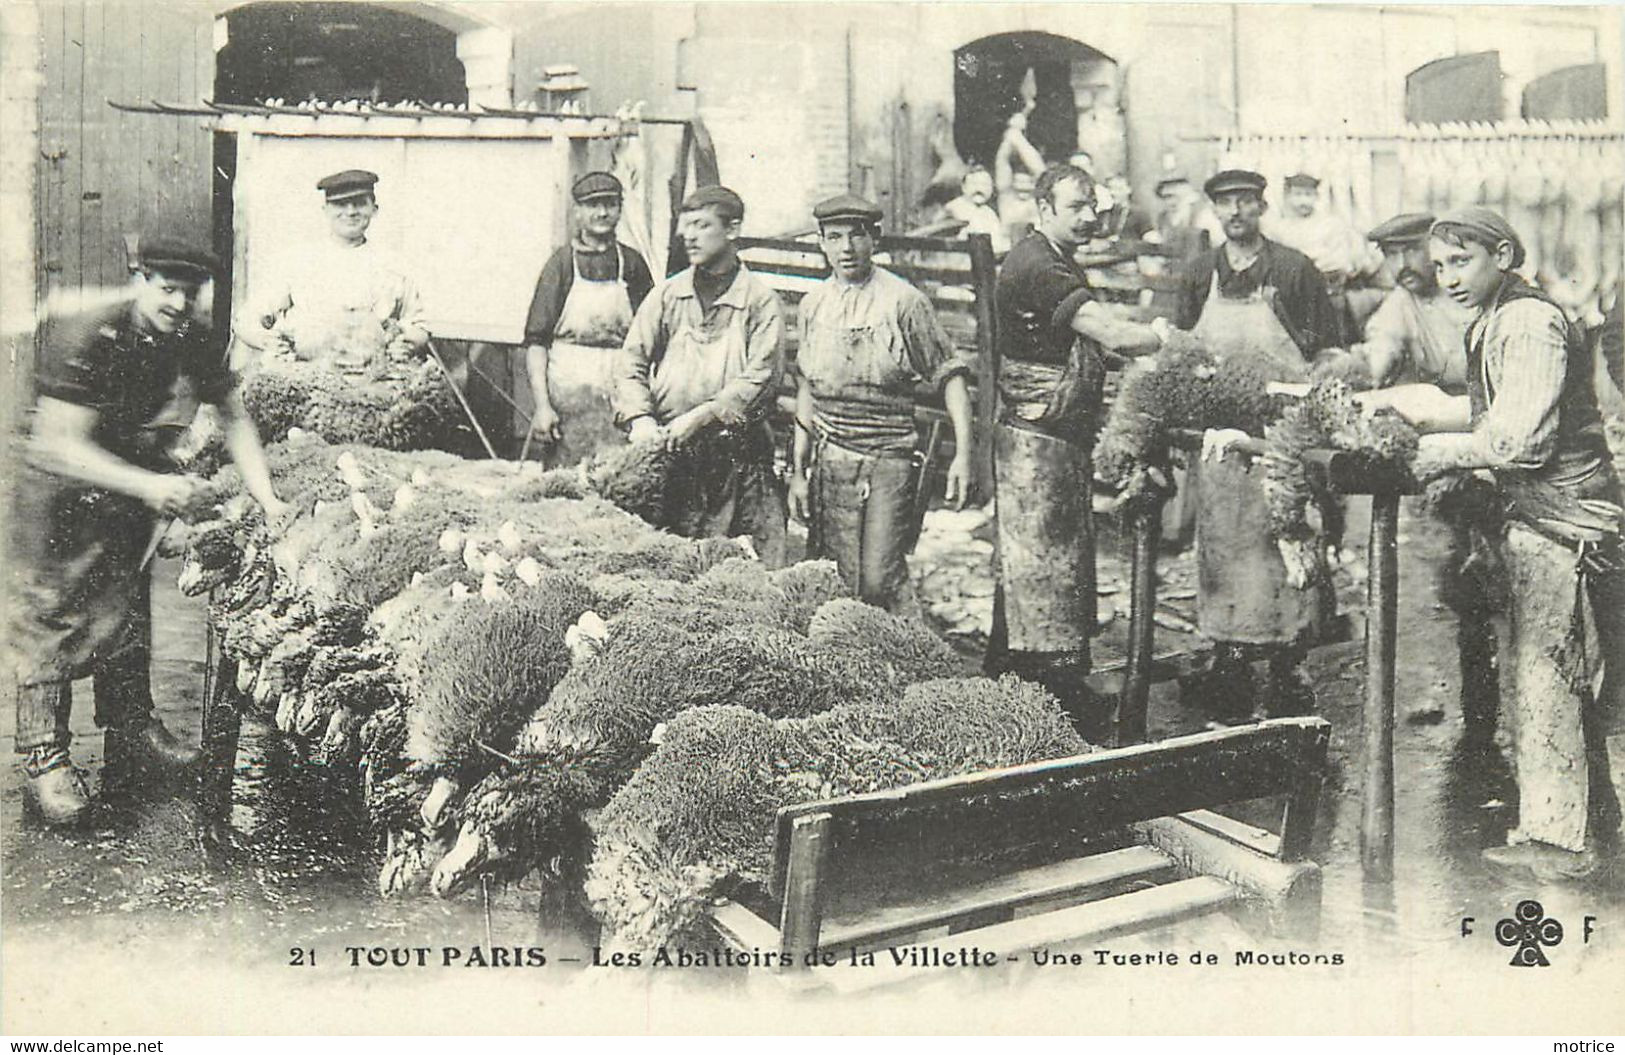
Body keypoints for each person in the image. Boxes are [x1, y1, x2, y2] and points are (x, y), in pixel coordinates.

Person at [1370, 207, 1625, 881]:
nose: (1448, 277)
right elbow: (1498, 409)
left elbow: (1520, 440)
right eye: (1441, 264)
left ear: (1502, 256)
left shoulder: (1527, 321)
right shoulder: (1494, 317)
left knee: (1554, 681)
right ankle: (1576, 832)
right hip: (1541, 520)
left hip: (1567, 522)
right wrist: (1421, 405)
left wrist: (1434, 451)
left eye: (1463, 262)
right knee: (1547, 677)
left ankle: (1563, 845)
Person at [7, 237, 289, 826]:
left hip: (127, 477)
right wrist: (149, 486)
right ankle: (44, 758)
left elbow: (234, 415)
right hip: (59, 485)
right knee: (53, 614)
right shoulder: (92, 333)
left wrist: (268, 498)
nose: (179, 302)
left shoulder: (191, 334)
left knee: (126, 610)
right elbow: (57, 443)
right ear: (140, 278)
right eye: (167, 288)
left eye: (190, 292)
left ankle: (133, 740)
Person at [988, 162, 1166, 740]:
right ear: (1043, 209)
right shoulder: (1039, 266)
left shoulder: (1051, 257)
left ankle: (1016, 681)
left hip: (1052, 438)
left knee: (1038, 568)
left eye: (1094, 205)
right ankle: (1050, 698)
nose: (1090, 217)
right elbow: (1113, 334)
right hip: (1035, 444)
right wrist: (1164, 337)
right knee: (1042, 567)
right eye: (1076, 207)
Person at [1177, 169, 1341, 719]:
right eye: (1225, 203)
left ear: (1263, 206)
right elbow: (1183, 352)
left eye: (1246, 201)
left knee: (1284, 547)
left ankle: (1290, 668)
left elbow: (1328, 355)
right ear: (1214, 212)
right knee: (1224, 550)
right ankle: (1229, 660)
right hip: (1221, 443)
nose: (1236, 212)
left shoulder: (1294, 270)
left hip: (1279, 437)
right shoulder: (1201, 274)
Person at [787, 194, 976, 611]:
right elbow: (807, 388)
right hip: (830, 459)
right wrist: (798, 471)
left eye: (857, 236)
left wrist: (964, 455)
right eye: (834, 237)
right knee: (832, 576)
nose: (846, 248)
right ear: (821, 242)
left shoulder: (904, 303)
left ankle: (905, 657)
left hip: (889, 458)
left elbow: (951, 376)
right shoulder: (813, 305)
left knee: (878, 578)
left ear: (875, 239)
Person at [612, 185, 788, 566]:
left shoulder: (759, 302)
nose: (688, 235)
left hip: (737, 461)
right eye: (685, 226)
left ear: (732, 229)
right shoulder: (667, 296)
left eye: (701, 225)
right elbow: (630, 363)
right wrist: (640, 419)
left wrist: (704, 414)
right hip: (672, 457)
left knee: (739, 569)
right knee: (670, 566)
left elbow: (762, 378)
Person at [519, 171, 656, 466]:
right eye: (593, 205)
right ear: (577, 212)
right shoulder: (560, 265)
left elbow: (653, 336)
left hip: (621, 392)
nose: (602, 212)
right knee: (565, 484)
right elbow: (536, 343)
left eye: (610, 204)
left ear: (620, 209)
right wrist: (543, 407)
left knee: (619, 477)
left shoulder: (632, 264)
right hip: (569, 395)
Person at [239, 169, 427, 374]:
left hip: (373, 377)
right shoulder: (297, 261)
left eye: (359, 203)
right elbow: (247, 319)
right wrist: (266, 340)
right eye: (340, 204)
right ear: (325, 209)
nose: (350, 211)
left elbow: (417, 324)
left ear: (374, 209)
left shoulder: (394, 266)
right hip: (307, 375)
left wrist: (405, 343)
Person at [1350, 212, 1476, 391]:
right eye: (1392, 254)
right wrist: (1370, 368)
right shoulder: (1402, 299)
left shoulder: (1473, 285)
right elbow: (1383, 341)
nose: (1402, 265)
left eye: (1412, 250)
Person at [1264, 172, 1382, 345]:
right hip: (1292, 292)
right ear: (1288, 196)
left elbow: (1341, 260)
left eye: (1308, 194)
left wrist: (1309, 265)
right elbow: (1275, 261)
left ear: (1317, 196)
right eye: (1297, 194)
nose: (1303, 201)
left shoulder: (1331, 225)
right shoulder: (1279, 229)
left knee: (1333, 338)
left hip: (1329, 290)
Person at [939, 167, 1008, 254]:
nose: (979, 189)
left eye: (985, 185)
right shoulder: (954, 208)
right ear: (964, 187)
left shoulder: (990, 213)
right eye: (974, 184)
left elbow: (998, 242)